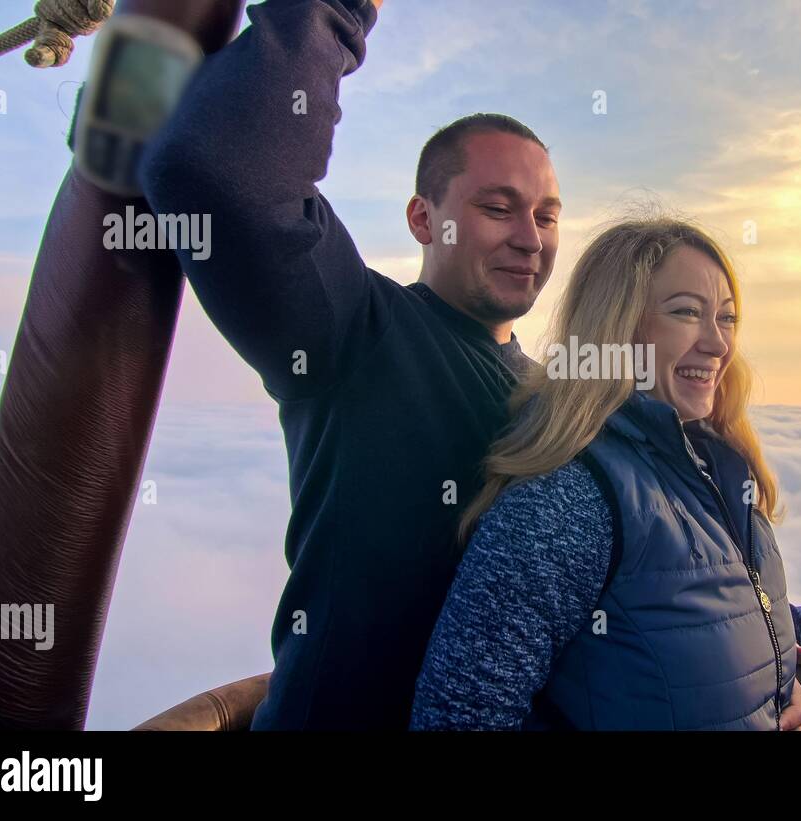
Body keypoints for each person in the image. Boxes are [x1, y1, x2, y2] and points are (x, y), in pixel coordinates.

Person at [411, 216, 801, 730]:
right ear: (618, 330)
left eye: (725, 318)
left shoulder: (702, 468)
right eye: (686, 313)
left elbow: (728, 612)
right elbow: (459, 715)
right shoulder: (567, 501)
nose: (718, 343)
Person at [138, 0, 562, 728]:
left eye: (547, 215)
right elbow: (214, 168)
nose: (530, 237)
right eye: (499, 206)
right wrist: (340, 11)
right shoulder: (355, 331)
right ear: (424, 219)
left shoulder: (548, 396)